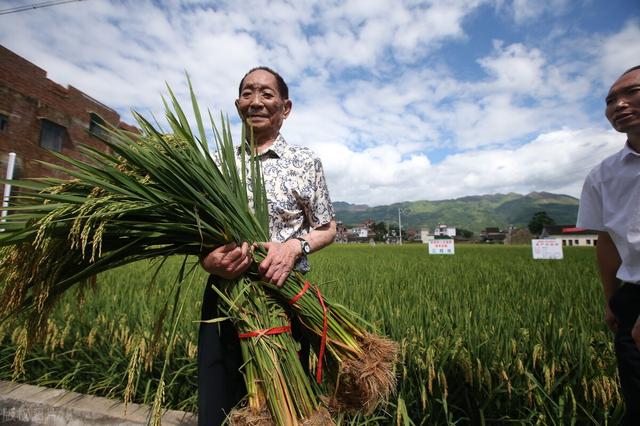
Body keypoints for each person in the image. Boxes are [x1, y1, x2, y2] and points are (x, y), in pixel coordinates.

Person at [197, 66, 337, 425]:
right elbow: (200, 234)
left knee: (286, 403)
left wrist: (294, 248)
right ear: (237, 103)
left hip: (284, 294)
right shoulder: (217, 165)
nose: (255, 101)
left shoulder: (305, 162)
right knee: (220, 400)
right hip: (226, 297)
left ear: (285, 107)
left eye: (266, 93)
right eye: (247, 93)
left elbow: (327, 228)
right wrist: (209, 259)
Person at [577, 64, 640, 425]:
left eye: (631, 92)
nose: (618, 104)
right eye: (610, 100)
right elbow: (607, 240)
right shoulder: (603, 175)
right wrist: (612, 299)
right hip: (633, 296)